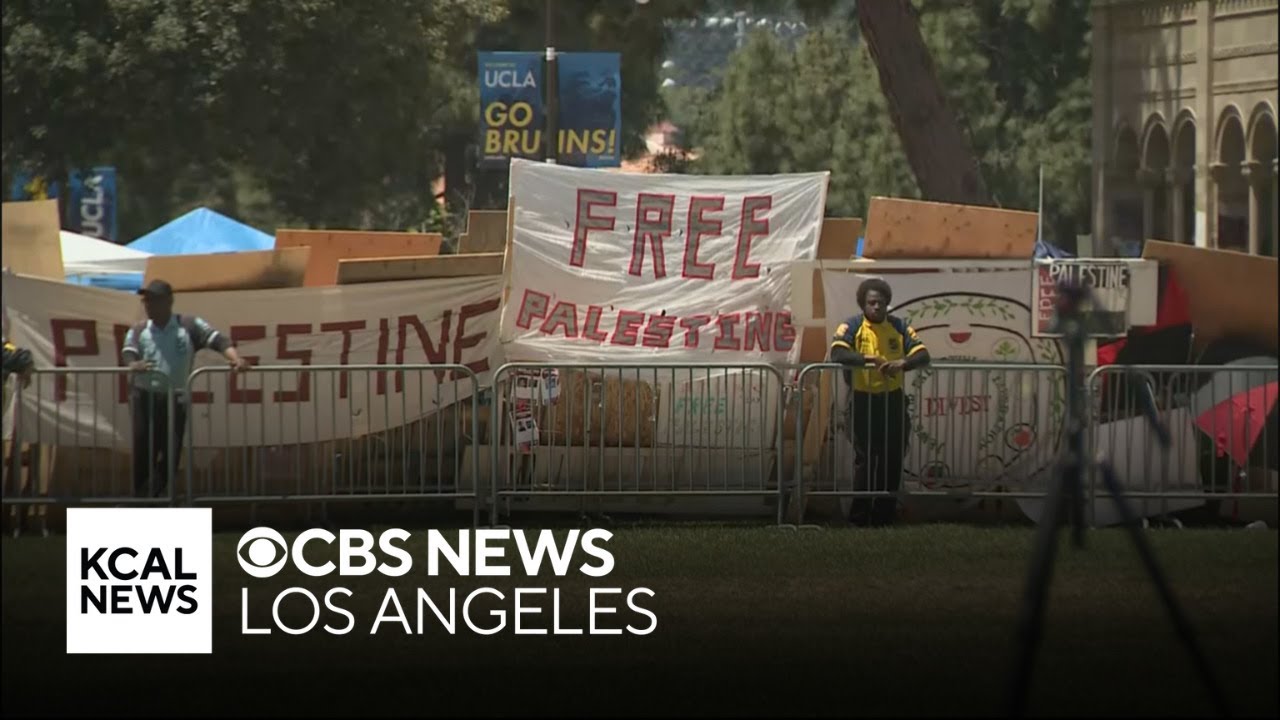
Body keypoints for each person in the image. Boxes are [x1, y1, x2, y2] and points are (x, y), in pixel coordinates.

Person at [122, 280, 249, 498]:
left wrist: (235, 359)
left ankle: (152, 499)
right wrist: (133, 364)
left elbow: (219, 340)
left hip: (176, 399)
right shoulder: (140, 329)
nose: (148, 305)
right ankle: (142, 501)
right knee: (143, 453)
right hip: (145, 398)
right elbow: (128, 352)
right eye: (146, 301)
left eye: (154, 300)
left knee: (171, 453)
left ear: (169, 301)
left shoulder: (188, 325)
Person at [829, 278, 931, 527]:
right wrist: (870, 359)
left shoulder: (899, 326)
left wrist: (903, 363)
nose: (876, 307)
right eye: (871, 302)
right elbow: (838, 353)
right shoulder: (852, 325)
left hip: (892, 401)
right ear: (863, 304)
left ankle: (884, 516)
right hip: (862, 400)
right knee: (865, 460)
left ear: (887, 304)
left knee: (892, 458)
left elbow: (923, 355)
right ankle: (859, 517)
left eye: (881, 303)